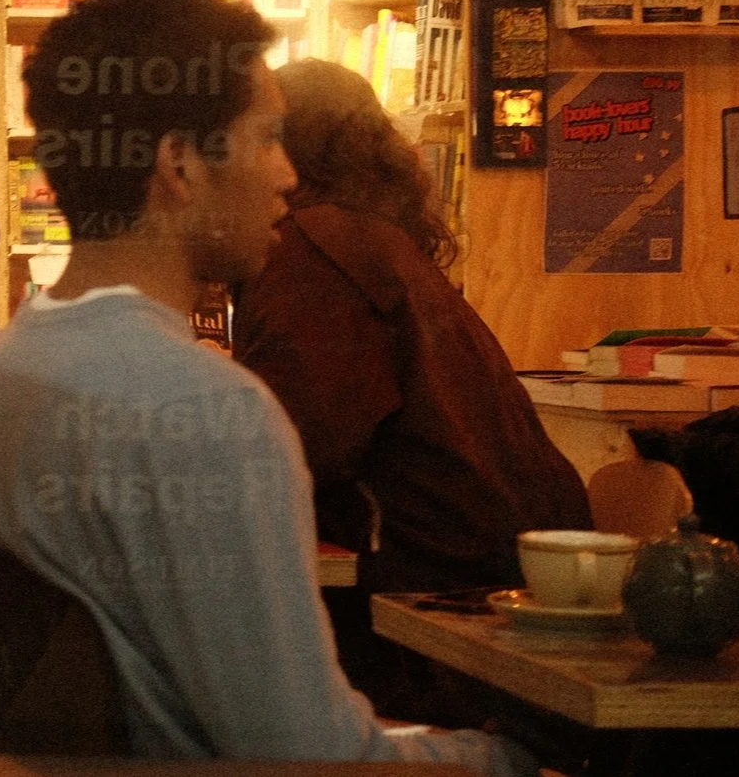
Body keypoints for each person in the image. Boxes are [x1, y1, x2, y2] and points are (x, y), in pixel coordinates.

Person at [0, 0, 534, 775]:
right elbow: (308, 760)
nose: (288, 175)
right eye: (266, 139)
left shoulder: (2, 377)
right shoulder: (210, 414)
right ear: (180, 165)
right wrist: (507, 759)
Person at [231, 59, 590, 716]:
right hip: (511, 594)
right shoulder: (373, 243)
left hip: (436, 620)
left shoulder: (311, 249)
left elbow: (289, 448)